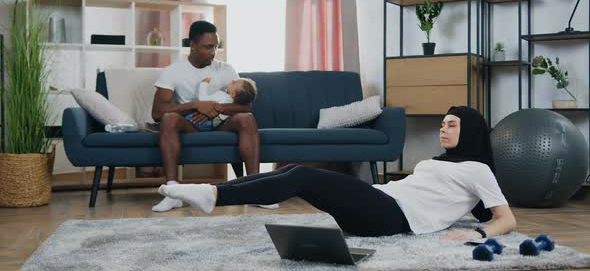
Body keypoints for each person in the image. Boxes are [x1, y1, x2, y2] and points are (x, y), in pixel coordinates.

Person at [157, 106, 517, 238]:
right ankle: (213, 191)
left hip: (394, 217)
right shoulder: (439, 162)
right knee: (296, 169)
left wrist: (480, 236)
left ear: (469, 131)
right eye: (442, 124)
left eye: (451, 125)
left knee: (302, 177)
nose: (443, 129)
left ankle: (213, 195)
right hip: (381, 204)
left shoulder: (477, 168)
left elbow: (506, 218)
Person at [151, 20, 261, 212]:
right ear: (192, 45)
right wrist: (195, 105)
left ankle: (255, 189)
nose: (213, 52)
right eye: (208, 47)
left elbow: (246, 106)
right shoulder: (173, 72)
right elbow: (158, 112)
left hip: (221, 122)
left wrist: (217, 107)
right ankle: (172, 192)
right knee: (169, 119)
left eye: (216, 47)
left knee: (247, 119)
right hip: (190, 124)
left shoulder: (226, 69)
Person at [184, 76, 257, 131]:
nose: (232, 80)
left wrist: (204, 83)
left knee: (185, 112)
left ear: (233, 94)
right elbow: (218, 119)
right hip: (213, 125)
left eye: (234, 82)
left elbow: (202, 98)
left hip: (200, 122)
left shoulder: (223, 96)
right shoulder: (233, 105)